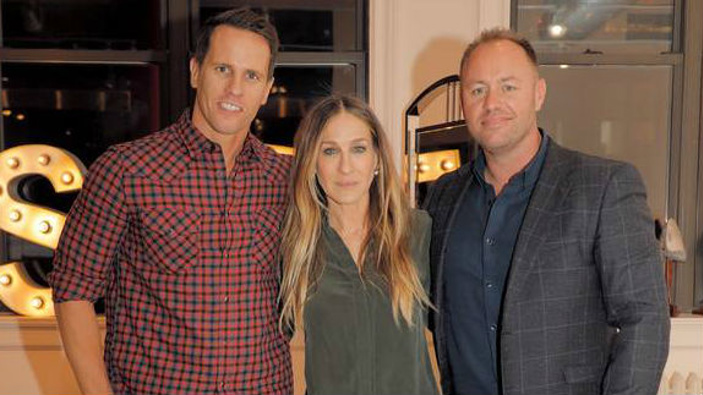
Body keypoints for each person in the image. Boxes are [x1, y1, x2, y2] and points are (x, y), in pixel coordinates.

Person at [48, 8, 293, 395]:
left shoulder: (284, 179)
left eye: (251, 76)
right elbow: (73, 289)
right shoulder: (126, 170)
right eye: (222, 69)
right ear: (196, 71)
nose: (235, 89)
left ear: (267, 89)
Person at [423, 28, 670, 395]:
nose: (492, 103)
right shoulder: (443, 197)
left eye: (508, 86)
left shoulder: (602, 186)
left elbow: (645, 318)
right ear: (463, 104)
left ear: (539, 93)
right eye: (477, 90)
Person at [279, 95, 439, 395]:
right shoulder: (295, 246)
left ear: (377, 158)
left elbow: (459, 333)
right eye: (329, 151)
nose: (346, 167)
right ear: (312, 163)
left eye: (358, 149)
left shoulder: (418, 232)